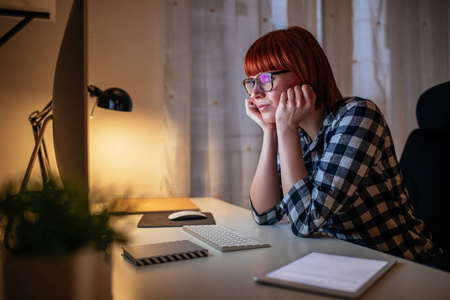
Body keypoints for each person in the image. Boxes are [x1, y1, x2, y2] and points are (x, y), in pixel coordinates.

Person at [242, 26, 441, 262]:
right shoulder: (295, 132)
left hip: (401, 265)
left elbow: (305, 221)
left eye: (265, 79)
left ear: (302, 74)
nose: (254, 92)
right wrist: (270, 131)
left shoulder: (358, 116)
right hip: (339, 261)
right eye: (251, 81)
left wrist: (284, 129)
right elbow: (265, 214)